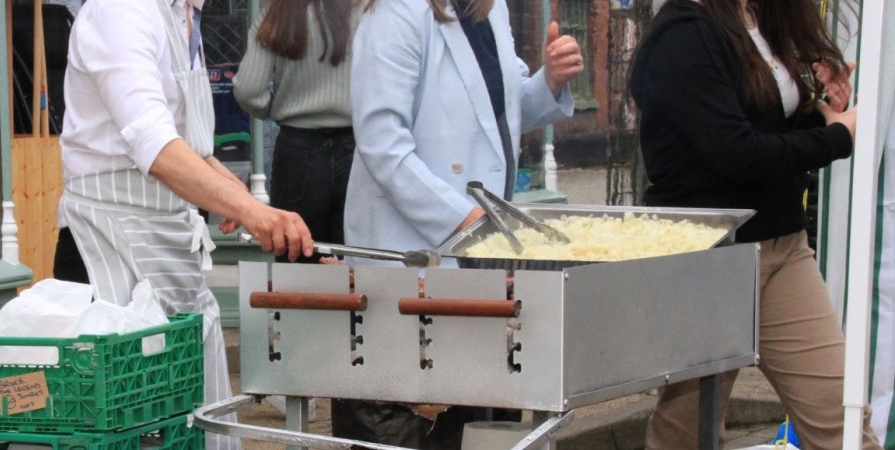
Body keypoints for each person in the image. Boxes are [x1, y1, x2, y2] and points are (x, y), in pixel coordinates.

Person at [60, 1, 315, 448]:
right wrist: (255, 213)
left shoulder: (182, 13)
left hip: (169, 239)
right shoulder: (122, 11)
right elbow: (154, 145)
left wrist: (235, 195)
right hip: (106, 248)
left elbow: (186, 141)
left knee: (190, 412)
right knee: (133, 424)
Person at [629, 0, 882, 448]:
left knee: (840, 419)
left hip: (782, 248)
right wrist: (838, 135)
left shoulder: (760, 18)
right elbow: (734, 153)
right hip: (711, 258)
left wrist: (820, 110)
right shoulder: (682, 34)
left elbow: (762, 126)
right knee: (688, 431)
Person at [343, 0, 581, 447]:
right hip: (414, 250)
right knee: (414, 417)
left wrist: (548, 81)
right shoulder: (396, 12)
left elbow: (499, 119)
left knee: (473, 411)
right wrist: (468, 222)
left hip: (476, 251)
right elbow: (381, 143)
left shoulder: (490, 11)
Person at [234, 0, 363, 263]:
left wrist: (281, 109)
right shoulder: (369, 8)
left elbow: (248, 89)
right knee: (358, 265)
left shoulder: (279, 10)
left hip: (297, 148)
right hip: (359, 148)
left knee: (297, 261)